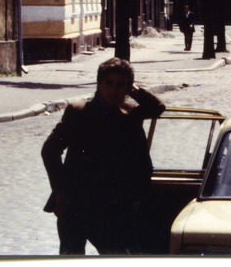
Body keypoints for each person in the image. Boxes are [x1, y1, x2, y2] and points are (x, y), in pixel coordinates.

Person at [41, 57, 166, 255]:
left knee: (115, 254)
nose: (114, 89)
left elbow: (158, 107)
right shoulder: (79, 111)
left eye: (121, 85)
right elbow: (50, 150)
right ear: (98, 84)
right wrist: (60, 190)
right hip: (76, 203)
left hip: (112, 206)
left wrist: (133, 89)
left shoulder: (130, 112)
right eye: (109, 83)